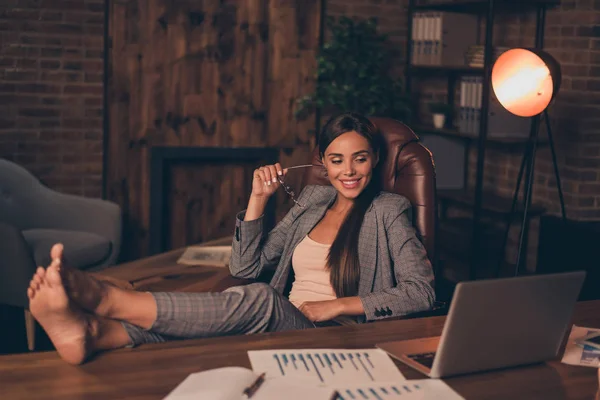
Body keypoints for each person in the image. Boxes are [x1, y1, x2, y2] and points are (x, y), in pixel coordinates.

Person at [26, 112, 435, 365]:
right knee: (215, 316)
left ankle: (109, 299)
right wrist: (257, 199)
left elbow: (421, 292)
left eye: (360, 158)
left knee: (258, 299)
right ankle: (97, 335)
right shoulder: (312, 199)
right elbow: (246, 267)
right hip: (281, 321)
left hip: (337, 333)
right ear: (322, 164)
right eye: (337, 159)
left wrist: (336, 306)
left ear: (375, 160)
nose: (349, 171)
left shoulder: (388, 210)